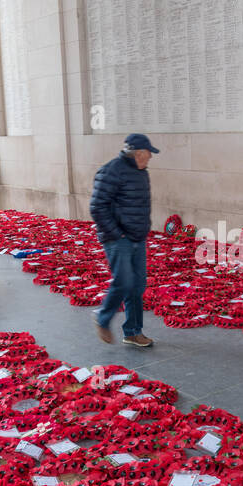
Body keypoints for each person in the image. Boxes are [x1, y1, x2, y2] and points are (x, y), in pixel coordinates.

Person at [90, 132, 159, 347]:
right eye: (148, 154)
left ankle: (132, 331)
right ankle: (102, 316)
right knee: (124, 281)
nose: (150, 158)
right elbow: (97, 207)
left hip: (138, 237)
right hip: (118, 238)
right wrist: (116, 233)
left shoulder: (141, 172)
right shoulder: (111, 171)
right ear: (136, 153)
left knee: (137, 286)